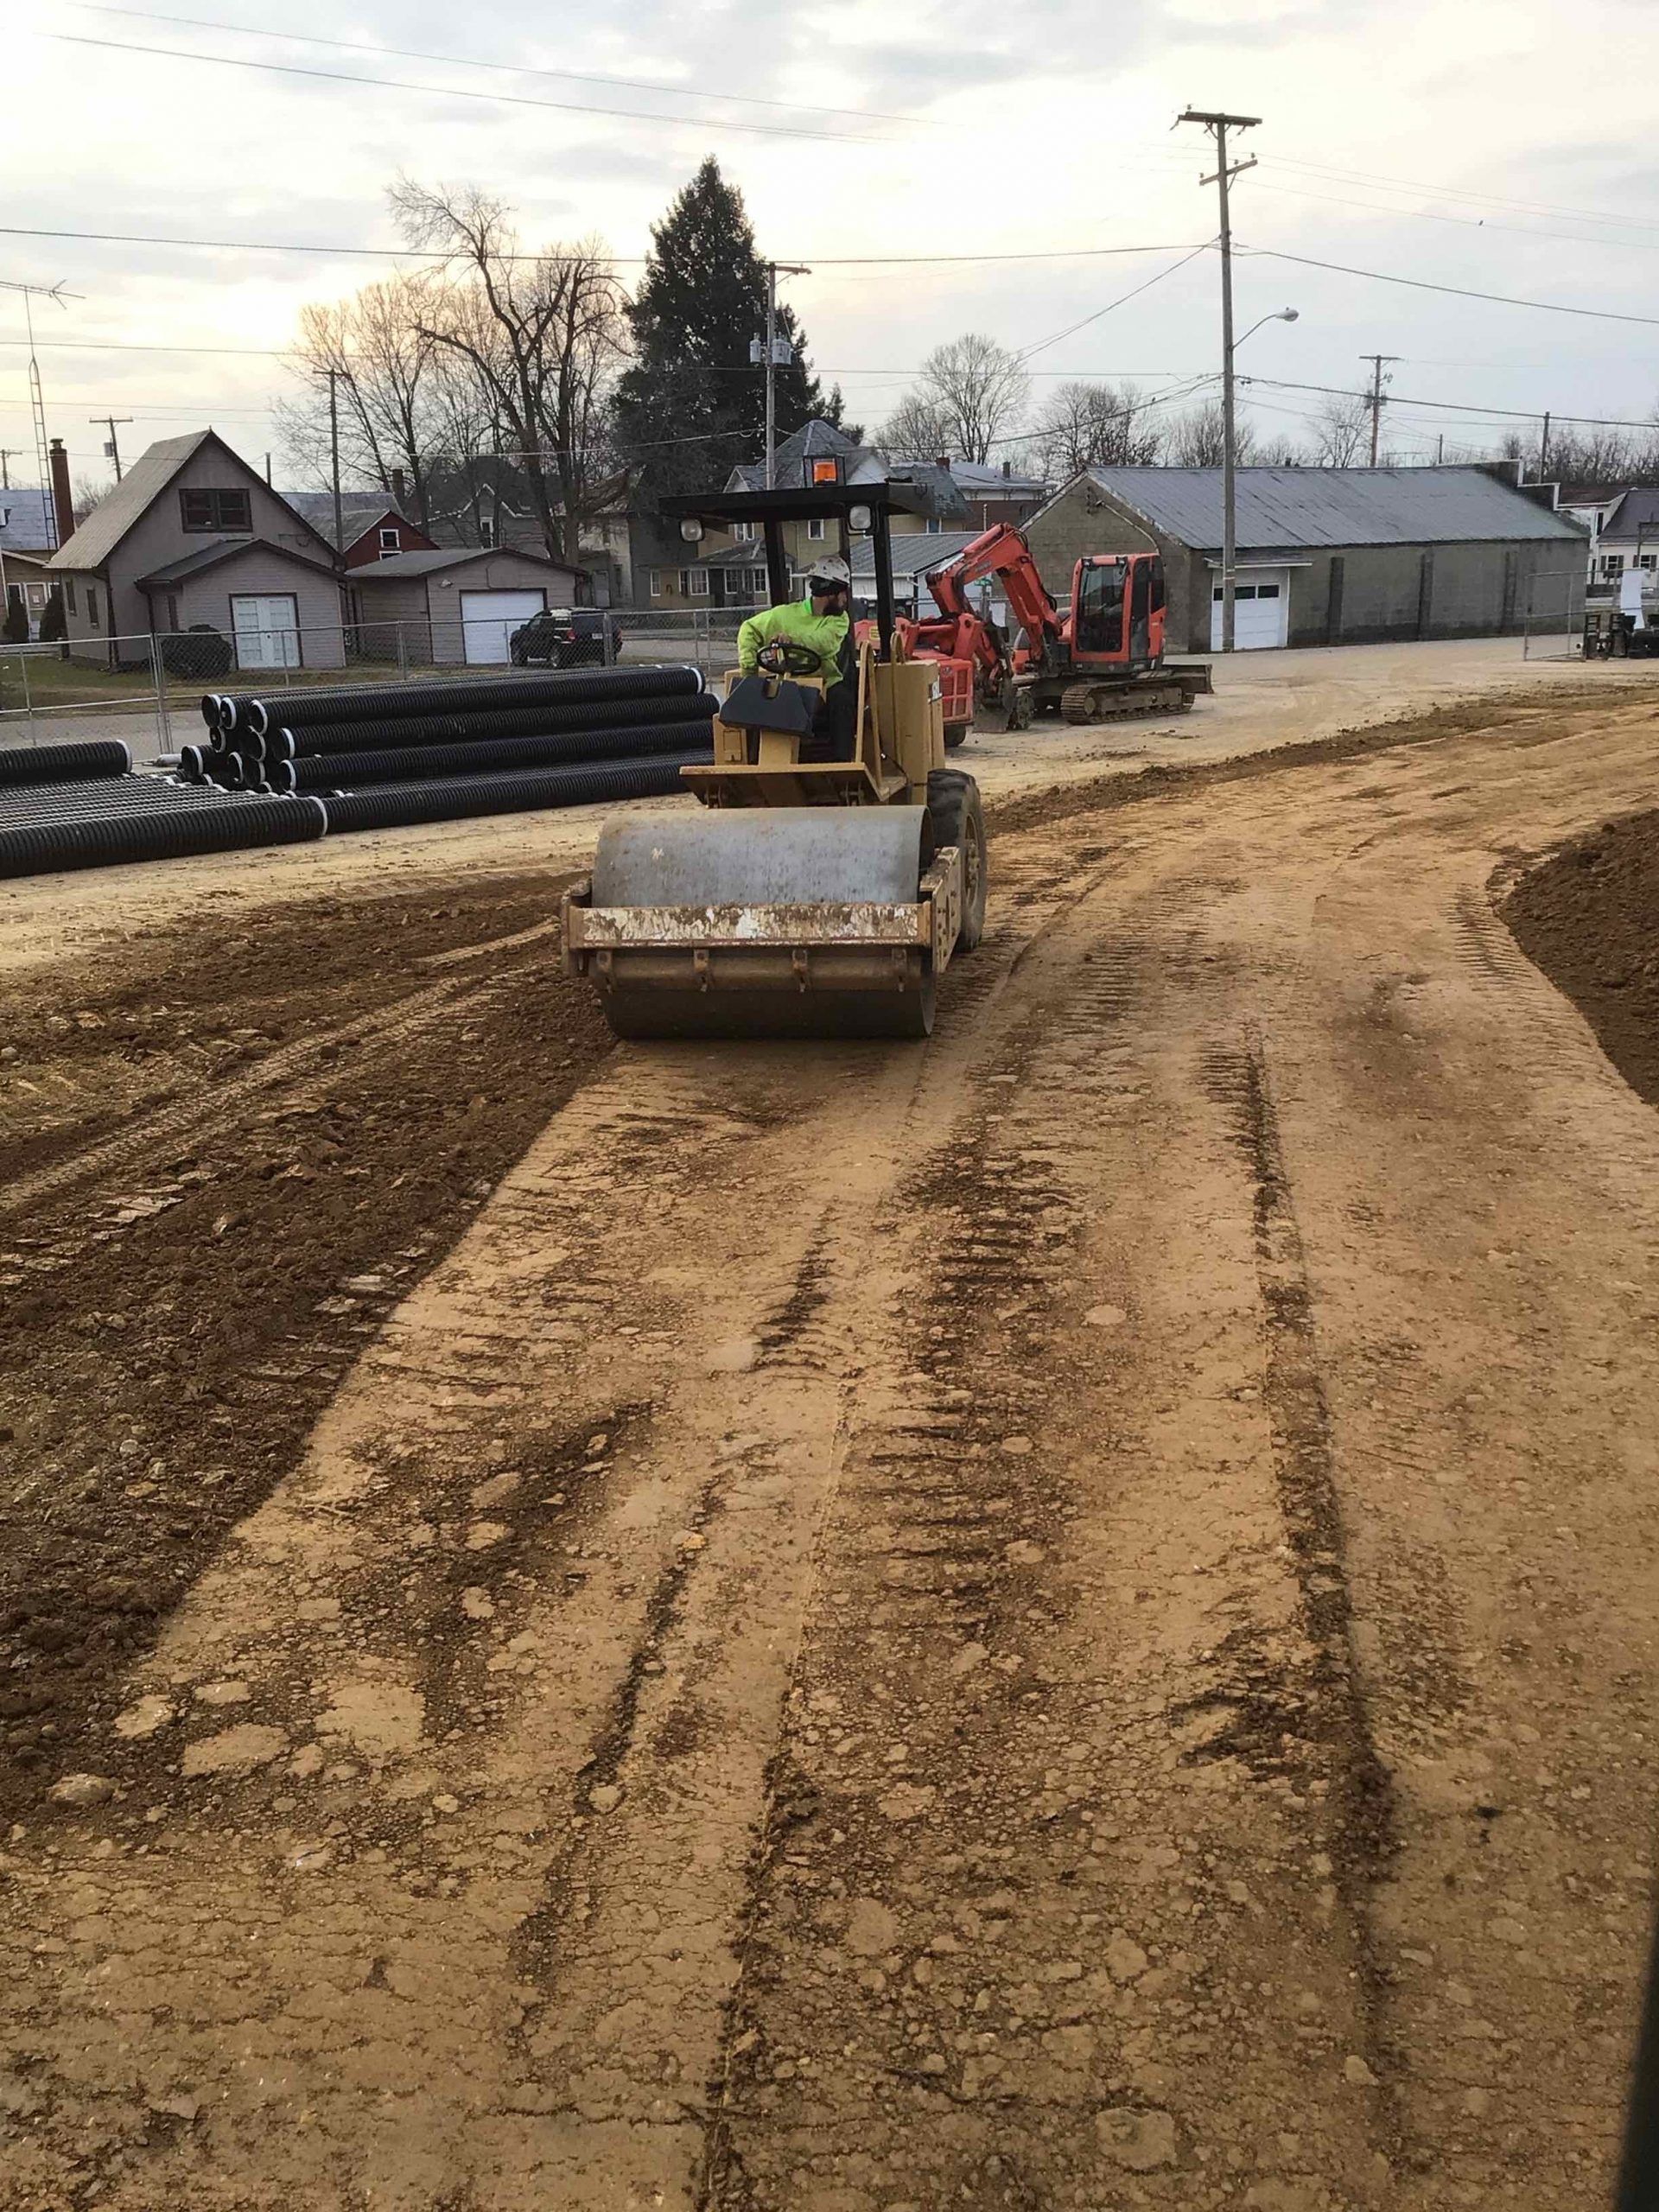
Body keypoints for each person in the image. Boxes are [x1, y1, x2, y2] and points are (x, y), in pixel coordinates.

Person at [735, 556, 857, 760]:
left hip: (826, 684)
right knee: (754, 699)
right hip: (789, 682)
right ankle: (754, 762)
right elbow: (749, 629)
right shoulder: (784, 615)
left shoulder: (839, 619)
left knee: (842, 700)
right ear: (830, 592)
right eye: (843, 591)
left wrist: (791, 640)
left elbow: (824, 643)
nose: (845, 598)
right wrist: (749, 674)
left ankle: (841, 764)